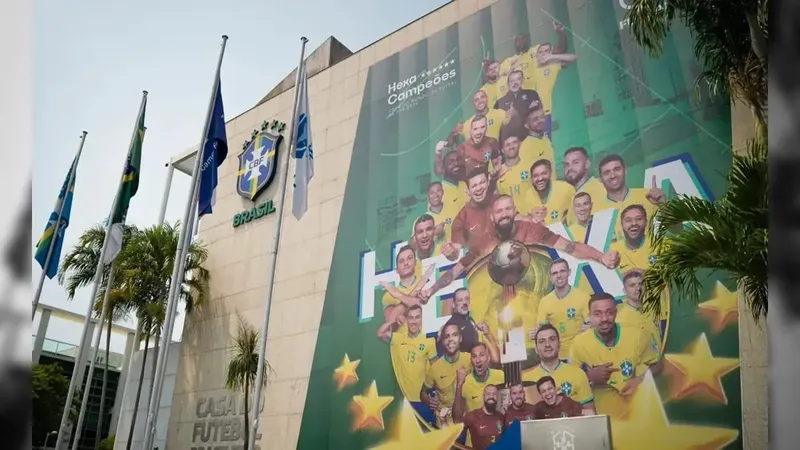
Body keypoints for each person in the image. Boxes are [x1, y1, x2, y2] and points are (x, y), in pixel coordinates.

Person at [420, 195, 620, 300]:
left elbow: (570, 247)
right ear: (492, 217)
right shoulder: (484, 242)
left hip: (539, 295)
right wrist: (432, 289)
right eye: (499, 211)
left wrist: (601, 257)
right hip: (503, 302)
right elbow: (456, 271)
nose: (504, 214)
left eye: (508, 209)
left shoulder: (533, 231)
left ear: (515, 211)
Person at [569, 293, 662, 419]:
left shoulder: (637, 335)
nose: (604, 318)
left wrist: (639, 380)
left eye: (609, 312)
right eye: (597, 314)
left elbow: (658, 365)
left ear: (616, 313)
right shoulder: (579, 343)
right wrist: (590, 376)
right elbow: (569, 380)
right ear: (589, 316)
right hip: (602, 414)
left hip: (636, 409)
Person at [377, 305, 438, 425]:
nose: (414, 321)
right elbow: (380, 333)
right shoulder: (398, 338)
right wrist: (392, 320)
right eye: (410, 318)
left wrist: (435, 395)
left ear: (421, 319)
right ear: (406, 320)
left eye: (417, 317)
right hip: (405, 401)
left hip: (422, 400)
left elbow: (436, 369)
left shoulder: (429, 341)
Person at [523, 324, 595, 414]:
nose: (547, 344)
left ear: (559, 344)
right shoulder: (526, 380)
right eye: (542, 341)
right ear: (536, 349)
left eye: (552, 339)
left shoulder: (578, 373)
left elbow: (590, 414)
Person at [594, 155, 665, 240]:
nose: (612, 176)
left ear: (625, 170)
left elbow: (677, 230)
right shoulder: (595, 212)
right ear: (600, 179)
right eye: (606, 173)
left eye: (617, 169)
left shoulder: (649, 197)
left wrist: (664, 205)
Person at [536, 259, 592, 359]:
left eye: (562, 271)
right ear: (550, 277)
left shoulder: (583, 297)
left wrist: (591, 327)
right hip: (556, 357)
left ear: (569, 272)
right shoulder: (544, 301)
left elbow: (592, 324)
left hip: (580, 355)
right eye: (555, 273)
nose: (559, 276)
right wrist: (535, 333)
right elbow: (542, 330)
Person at [421, 323, 473, 425]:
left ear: (460, 338)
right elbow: (422, 393)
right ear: (443, 341)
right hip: (444, 422)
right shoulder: (434, 368)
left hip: (466, 419)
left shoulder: (470, 359)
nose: (450, 339)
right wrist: (429, 401)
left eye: (454, 335)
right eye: (447, 336)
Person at [531, 42, 578, 136]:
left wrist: (552, 57)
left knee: (545, 142)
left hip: (544, 112)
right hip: (529, 114)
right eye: (540, 52)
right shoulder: (532, 69)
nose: (543, 54)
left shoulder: (553, 66)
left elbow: (573, 57)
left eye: (546, 51)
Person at [379, 246, 428, 328]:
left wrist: (397, 294)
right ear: (397, 270)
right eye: (401, 261)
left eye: (409, 258)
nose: (406, 263)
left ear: (415, 262)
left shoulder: (427, 282)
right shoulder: (388, 296)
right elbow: (391, 325)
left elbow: (421, 304)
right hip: (404, 339)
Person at [518, 159, 575, 225]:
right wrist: (531, 217)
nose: (540, 178)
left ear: (550, 173)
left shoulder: (566, 189)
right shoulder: (528, 195)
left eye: (544, 173)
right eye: (535, 176)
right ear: (531, 179)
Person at [455, 343, 506, 414]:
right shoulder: (464, 382)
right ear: (471, 360)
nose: (478, 360)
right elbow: (457, 418)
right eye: (474, 356)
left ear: (488, 358)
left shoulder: (501, 376)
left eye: (482, 355)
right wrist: (459, 385)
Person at [616, 269, 664, 345]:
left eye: (640, 284)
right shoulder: (618, 316)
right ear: (624, 290)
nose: (638, 288)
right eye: (632, 285)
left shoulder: (652, 310)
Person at [562, 147, 606, 225]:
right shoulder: (573, 195)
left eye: (575, 162)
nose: (570, 168)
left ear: (587, 164)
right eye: (566, 164)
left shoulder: (598, 190)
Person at [493, 70, 542, 140]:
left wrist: (517, 114)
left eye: (518, 79)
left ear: (522, 80)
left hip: (531, 138)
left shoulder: (532, 94)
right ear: (508, 84)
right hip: (510, 142)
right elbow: (497, 126)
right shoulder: (499, 102)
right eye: (512, 81)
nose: (515, 83)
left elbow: (535, 116)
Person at [455, 384, 505, 450]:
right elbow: (458, 441)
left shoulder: (501, 417)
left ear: (497, 398)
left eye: (494, 394)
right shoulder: (472, 416)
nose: (491, 396)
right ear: (483, 397)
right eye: (488, 394)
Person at [610, 204, 654, 272]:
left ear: (646, 222)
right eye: (628, 220)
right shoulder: (611, 250)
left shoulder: (661, 244)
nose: (634, 223)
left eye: (639, 219)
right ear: (622, 225)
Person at [518, 105, 555, 172]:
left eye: (542, 116)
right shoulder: (526, 148)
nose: (541, 120)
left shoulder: (546, 138)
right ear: (526, 125)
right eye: (535, 119)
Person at [432, 146, 469, 213]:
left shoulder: (464, 184)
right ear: (444, 168)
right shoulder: (439, 191)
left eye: (458, 160)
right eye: (450, 162)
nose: (456, 163)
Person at [495, 134, 529, 203]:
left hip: (529, 212)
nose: (511, 147)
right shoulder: (498, 172)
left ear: (520, 144)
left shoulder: (529, 166)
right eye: (507, 145)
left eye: (514, 142)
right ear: (502, 150)